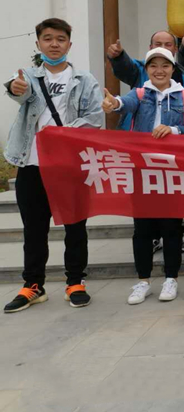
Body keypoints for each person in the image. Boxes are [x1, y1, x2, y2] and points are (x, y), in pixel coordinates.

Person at [3, 19, 103, 313]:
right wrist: (15, 87)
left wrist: (63, 133)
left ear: (69, 44)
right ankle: (33, 285)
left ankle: (75, 282)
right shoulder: (27, 77)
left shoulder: (84, 79)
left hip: (70, 164)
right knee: (34, 229)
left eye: (60, 39)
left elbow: (95, 119)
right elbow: (18, 92)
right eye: (48, 39)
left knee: (75, 226)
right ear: (38, 44)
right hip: (31, 163)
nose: (54, 44)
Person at [102, 48, 184, 304]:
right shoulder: (139, 93)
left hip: (172, 170)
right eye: (153, 66)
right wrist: (114, 104)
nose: (159, 70)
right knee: (143, 229)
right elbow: (124, 104)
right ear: (146, 69)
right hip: (142, 170)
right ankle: (143, 281)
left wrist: (174, 130)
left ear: (173, 69)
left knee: (171, 227)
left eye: (165, 65)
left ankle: (171, 279)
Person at [107, 30, 184, 131]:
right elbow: (127, 101)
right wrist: (116, 102)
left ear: (176, 49)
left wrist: (174, 130)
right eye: (158, 44)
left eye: (168, 44)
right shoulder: (139, 86)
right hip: (136, 139)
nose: (159, 71)